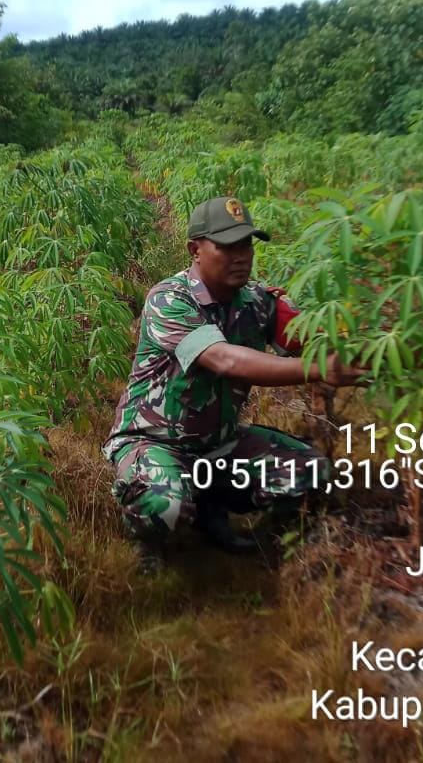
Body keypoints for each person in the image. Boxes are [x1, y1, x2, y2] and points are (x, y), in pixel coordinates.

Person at [102, 196, 368, 571]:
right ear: (195, 250)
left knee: (311, 471)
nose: (241, 255)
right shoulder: (169, 300)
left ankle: (238, 528)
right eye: (227, 246)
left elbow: (311, 337)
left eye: (246, 245)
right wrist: (316, 368)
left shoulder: (257, 301)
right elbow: (225, 358)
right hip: (155, 441)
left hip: (218, 441)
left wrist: (383, 349)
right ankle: (148, 538)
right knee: (165, 506)